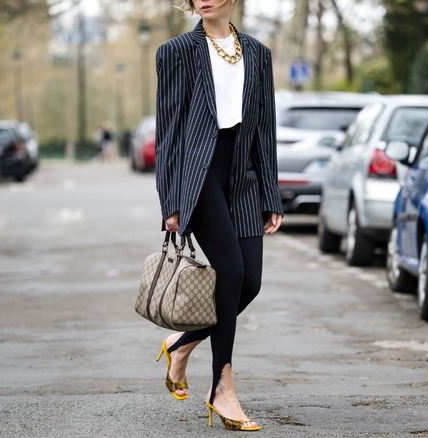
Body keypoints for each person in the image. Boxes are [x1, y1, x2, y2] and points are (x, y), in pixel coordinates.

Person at [153, 0, 283, 432]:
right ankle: (222, 388)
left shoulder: (259, 54)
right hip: (199, 176)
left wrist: (271, 193)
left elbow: (264, 127)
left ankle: (183, 342)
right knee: (228, 270)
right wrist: (169, 199)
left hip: (243, 177)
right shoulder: (175, 52)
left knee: (251, 282)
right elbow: (168, 129)